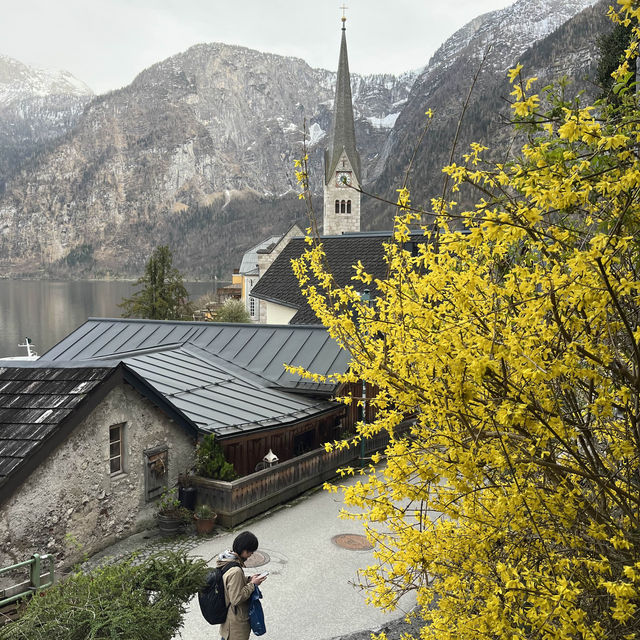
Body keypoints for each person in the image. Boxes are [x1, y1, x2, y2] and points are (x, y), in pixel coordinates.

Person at [217, 531, 267, 640]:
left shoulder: (227, 560)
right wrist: (253, 585)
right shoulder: (236, 571)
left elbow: (230, 582)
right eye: (251, 552)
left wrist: (249, 579)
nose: (251, 555)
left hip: (229, 621)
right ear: (244, 551)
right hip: (235, 624)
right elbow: (236, 598)